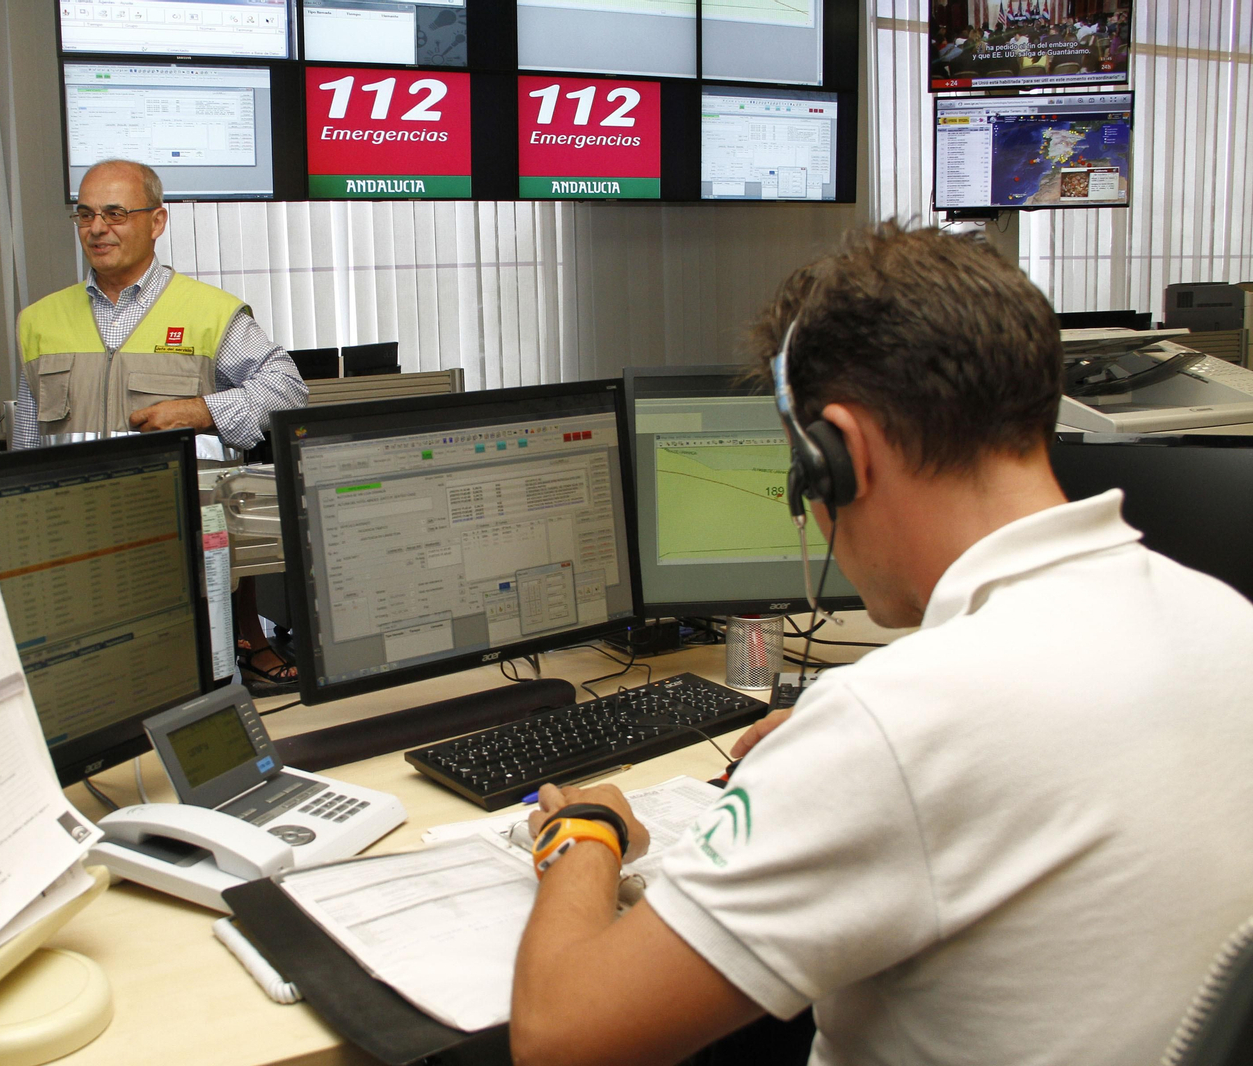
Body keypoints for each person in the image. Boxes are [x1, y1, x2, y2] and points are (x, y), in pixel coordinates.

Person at [508, 225, 1253, 1066]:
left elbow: (562, 1038)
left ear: (843, 456)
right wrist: (842, 762)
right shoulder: (1227, 620)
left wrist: (590, 837)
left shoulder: (898, 723)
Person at [13, 159, 308, 688]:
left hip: (184, 557)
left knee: (194, 697)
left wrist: (202, 411)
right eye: (85, 214)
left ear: (157, 221)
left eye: (115, 213)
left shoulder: (209, 313)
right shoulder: (38, 321)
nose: (97, 228)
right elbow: (27, 447)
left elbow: (287, 390)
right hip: (79, 558)